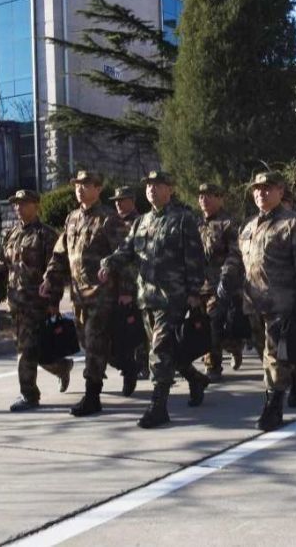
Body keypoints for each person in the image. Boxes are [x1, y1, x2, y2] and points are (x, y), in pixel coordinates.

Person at [100, 171, 208, 428]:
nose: (151, 189)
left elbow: (195, 258)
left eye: (157, 185)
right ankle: (195, 379)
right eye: (148, 185)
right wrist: (108, 263)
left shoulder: (183, 220)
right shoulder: (141, 222)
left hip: (173, 297)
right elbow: (126, 251)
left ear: (169, 189)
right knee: (167, 351)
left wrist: (194, 293)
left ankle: (158, 407)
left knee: (158, 352)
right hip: (146, 297)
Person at [40, 170, 127, 417]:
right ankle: (126, 363)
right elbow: (59, 254)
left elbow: (125, 256)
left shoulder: (109, 219)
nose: (80, 188)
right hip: (78, 295)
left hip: (102, 294)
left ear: (98, 189)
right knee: (88, 344)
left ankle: (92, 395)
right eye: (78, 184)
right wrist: (50, 280)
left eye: (86, 184)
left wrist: (126, 291)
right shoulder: (72, 219)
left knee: (95, 341)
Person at [0, 190, 71, 411]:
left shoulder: (46, 235)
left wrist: (54, 302)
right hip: (17, 303)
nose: (18, 207)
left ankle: (29, 395)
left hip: (38, 304)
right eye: (16, 204)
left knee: (28, 350)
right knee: (32, 350)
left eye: (23, 203)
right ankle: (61, 366)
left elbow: (56, 270)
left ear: (36, 205)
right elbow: (0, 264)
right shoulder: (12, 234)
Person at [238, 171, 296, 432]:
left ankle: (273, 406)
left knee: (273, 356)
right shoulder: (248, 227)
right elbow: (242, 262)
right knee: (272, 354)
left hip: (282, 303)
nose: (261, 192)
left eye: (268, 188)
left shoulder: (293, 222)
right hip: (254, 303)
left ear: (280, 191)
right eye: (257, 189)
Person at [197, 182, 244, 381]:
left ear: (219, 198)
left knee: (212, 324)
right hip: (199, 285)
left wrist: (226, 277)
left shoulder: (228, 223)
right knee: (202, 326)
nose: (204, 200)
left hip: (221, 286)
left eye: (209, 195)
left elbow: (235, 253)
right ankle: (234, 345)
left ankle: (213, 366)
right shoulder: (196, 224)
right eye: (201, 196)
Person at [110, 185, 149, 381]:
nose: (117, 203)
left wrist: (127, 288)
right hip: (114, 284)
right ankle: (127, 362)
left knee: (139, 325)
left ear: (132, 200)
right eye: (115, 201)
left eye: (121, 200)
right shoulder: (111, 223)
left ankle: (142, 363)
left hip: (137, 282)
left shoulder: (141, 222)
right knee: (123, 326)